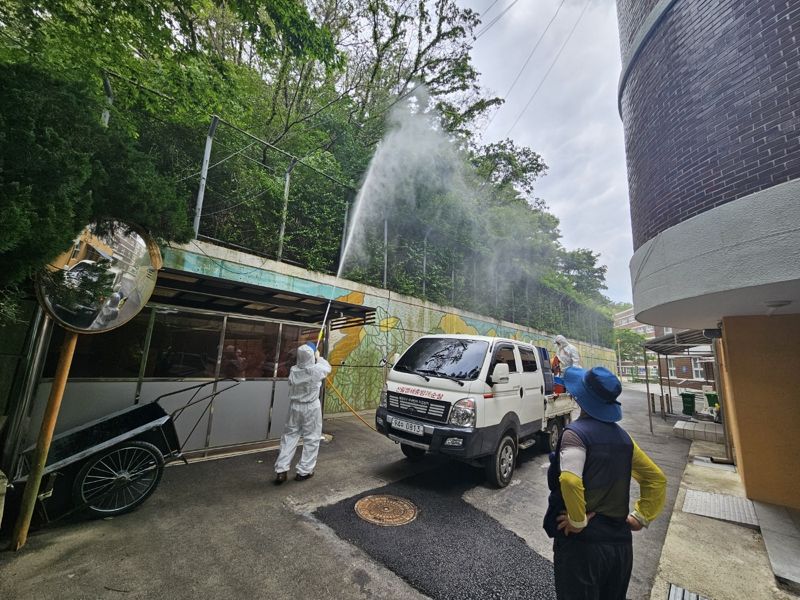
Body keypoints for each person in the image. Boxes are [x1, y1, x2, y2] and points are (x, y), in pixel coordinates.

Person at [543, 366, 667, 600]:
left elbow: (570, 480)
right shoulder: (624, 439)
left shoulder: (575, 434)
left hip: (583, 548)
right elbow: (656, 478)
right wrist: (641, 517)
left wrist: (578, 520)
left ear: (581, 397)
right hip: (620, 546)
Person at [274, 343, 331, 484]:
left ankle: (281, 470)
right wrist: (319, 357)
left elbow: (310, 365)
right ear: (311, 357)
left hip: (295, 407)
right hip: (311, 408)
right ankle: (304, 472)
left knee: (289, 437)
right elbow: (327, 367)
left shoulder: (294, 370)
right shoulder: (316, 370)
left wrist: (314, 356)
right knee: (311, 439)